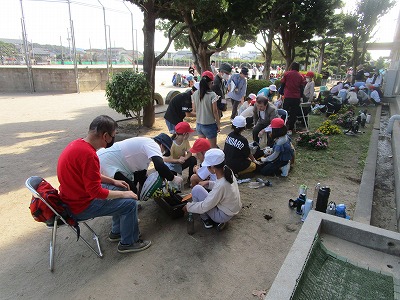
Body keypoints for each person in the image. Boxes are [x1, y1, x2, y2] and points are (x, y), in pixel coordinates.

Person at [57, 115, 151, 254]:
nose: (113, 139)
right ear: (105, 136)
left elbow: (89, 175)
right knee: (130, 203)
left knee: (121, 187)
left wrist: (113, 181)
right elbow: (96, 192)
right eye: (113, 136)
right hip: (80, 206)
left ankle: (117, 232)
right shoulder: (89, 155)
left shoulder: (78, 144)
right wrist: (125, 194)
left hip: (72, 198)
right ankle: (129, 242)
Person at [97, 133, 183, 196]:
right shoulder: (153, 145)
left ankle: (132, 205)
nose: (162, 153)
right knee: (129, 188)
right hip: (106, 161)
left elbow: (141, 175)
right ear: (161, 145)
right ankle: (129, 209)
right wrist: (173, 178)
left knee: (131, 187)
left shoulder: (145, 147)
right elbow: (159, 166)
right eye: (164, 150)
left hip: (108, 159)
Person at [183, 148, 242, 231]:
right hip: (232, 208)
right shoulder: (227, 170)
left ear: (213, 167)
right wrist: (208, 183)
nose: (206, 168)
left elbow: (205, 206)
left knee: (196, 189)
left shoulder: (221, 185)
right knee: (201, 189)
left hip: (223, 215)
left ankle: (206, 219)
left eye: (207, 166)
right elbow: (223, 188)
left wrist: (188, 207)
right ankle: (217, 221)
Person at [192, 70, 221, 148]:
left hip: (199, 125)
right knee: (213, 148)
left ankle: (202, 160)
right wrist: (218, 124)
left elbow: (194, 110)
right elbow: (215, 111)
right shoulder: (212, 95)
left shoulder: (195, 94)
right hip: (210, 125)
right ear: (211, 82)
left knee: (203, 147)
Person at [280, 61, 305, 134]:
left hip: (287, 96)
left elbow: (282, 84)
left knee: (285, 112)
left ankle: (282, 126)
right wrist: (301, 96)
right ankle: (290, 128)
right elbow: (301, 87)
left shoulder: (287, 74)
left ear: (291, 66)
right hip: (296, 97)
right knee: (294, 113)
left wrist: (281, 92)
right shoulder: (300, 76)